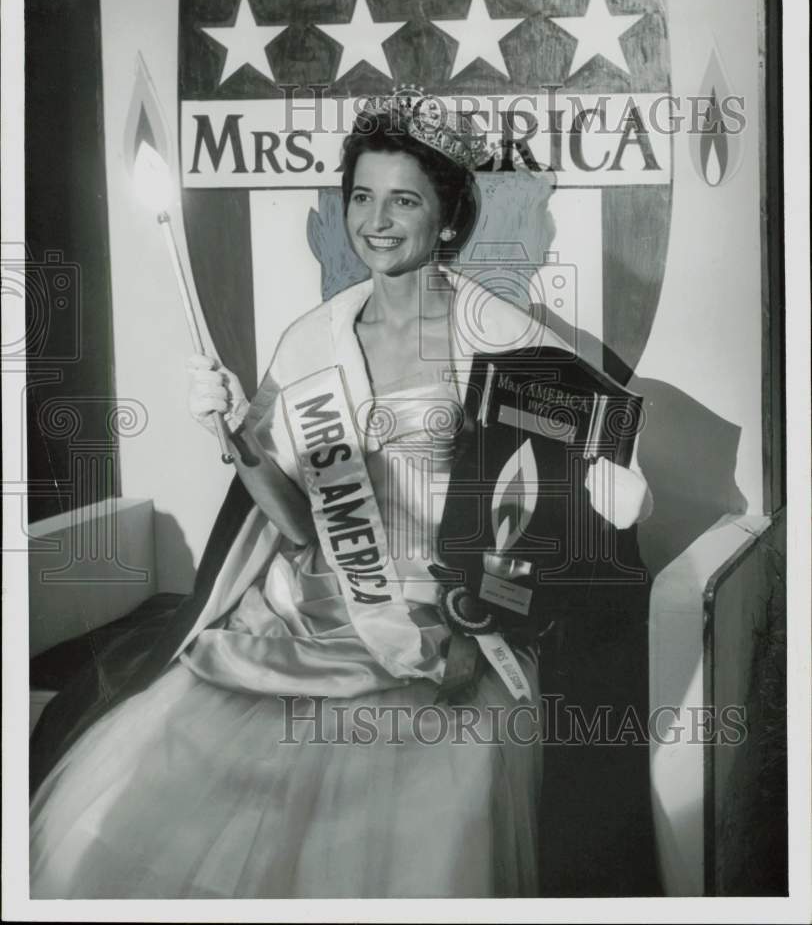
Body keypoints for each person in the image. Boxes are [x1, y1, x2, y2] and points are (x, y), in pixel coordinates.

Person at [29, 96, 651, 898]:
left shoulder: (504, 338)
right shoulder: (310, 340)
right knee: (169, 776)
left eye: (404, 200)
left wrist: (616, 486)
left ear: (450, 219)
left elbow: (580, 479)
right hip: (308, 616)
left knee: (425, 812)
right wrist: (235, 434)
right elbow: (292, 522)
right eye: (361, 196)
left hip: (448, 621)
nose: (376, 221)